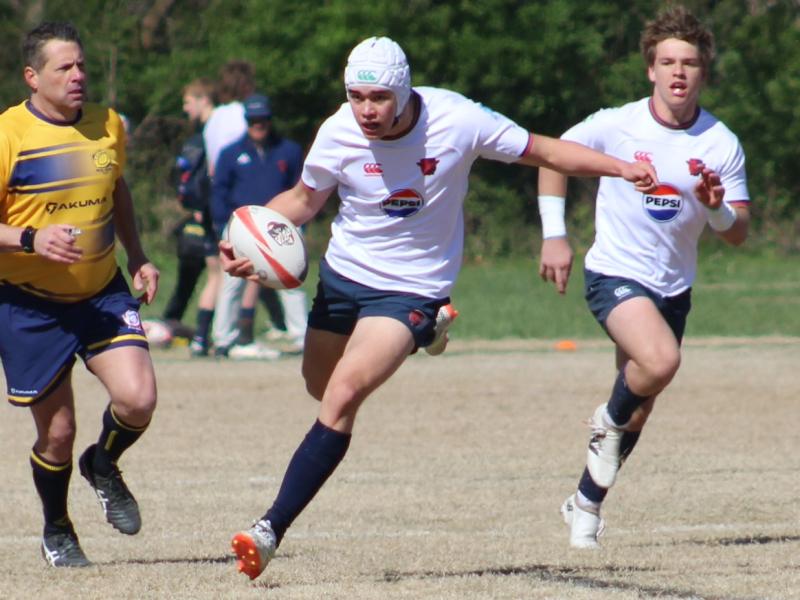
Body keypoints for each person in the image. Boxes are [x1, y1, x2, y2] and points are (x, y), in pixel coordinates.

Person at [219, 36, 657, 580]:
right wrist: (250, 235)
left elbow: (543, 150)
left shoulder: (458, 120)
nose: (366, 110)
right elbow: (304, 200)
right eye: (356, 96)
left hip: (412, 287)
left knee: (343, 394)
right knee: (319, 384)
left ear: (404, 91)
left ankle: (268, 529)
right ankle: (427, 335)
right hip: (343, 277)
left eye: (379, 97)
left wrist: (619, 168)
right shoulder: (337, 131)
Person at [536, 5, 750, 549]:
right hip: (614, 272)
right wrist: (555, 235)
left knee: (640, 406)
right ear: (651, 69)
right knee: (660, 362)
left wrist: (717, 209)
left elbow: (738, 232)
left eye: (689, 63)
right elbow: (552, 158)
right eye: (668, 62)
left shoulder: (720, 142)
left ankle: (585, 504)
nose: (679, 72)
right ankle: (605, 421)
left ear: (703, 72)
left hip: (672, 287)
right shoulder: (616, 124)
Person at [0, 22, 159, 567]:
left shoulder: (108, 124)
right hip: (28, 302)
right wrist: (31, 238)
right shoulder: (8, 135)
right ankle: (58, 528)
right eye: (64, 67)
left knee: (138, 400)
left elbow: (117, 189)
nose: (78, 76)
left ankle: (103, 464)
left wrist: (137, 255)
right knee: (58, 433)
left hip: (100, 292)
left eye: (82, 65)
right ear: (32, 76)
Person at [210, 93, 305, 359]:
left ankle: (301, 336)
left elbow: (300, 189)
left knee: (292, 278)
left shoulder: (289, 150)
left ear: (270, 120)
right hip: (240, 228)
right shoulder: (230, 153)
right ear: (246, 121)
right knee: (233, 282)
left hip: (280, 225)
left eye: (262, 119)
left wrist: (300, 225)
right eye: (253, 120)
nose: (258, 125)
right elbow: (219, 192)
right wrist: (222, 226)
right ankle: (223, 340)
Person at [157, 77, 221, 354]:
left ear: (203, 100)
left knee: (217, 272)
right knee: (212, 272)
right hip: (208, 211)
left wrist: (198, 203)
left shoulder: (210, 134)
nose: (185, 109)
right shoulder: (204, 135)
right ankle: (201, 334)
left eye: (188, 102)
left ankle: (204, 334)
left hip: (211, 211)